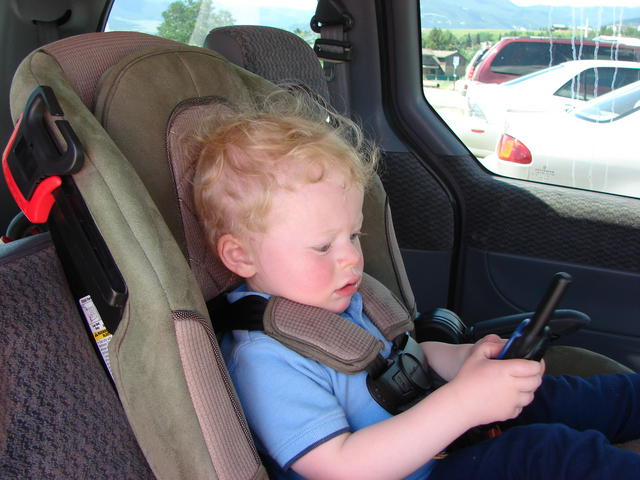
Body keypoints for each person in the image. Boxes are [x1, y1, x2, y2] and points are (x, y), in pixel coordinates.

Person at [193, 93, 640, 480]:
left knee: (549, 397)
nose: (349, 256)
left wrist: (462, 359)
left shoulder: (336, 299)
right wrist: (464, 405)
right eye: (322, 246)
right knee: (547, 454)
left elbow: (399, 358)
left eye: (353, 235)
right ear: (241, 256)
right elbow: (339, 467)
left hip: (438, 435)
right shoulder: (264, 359)